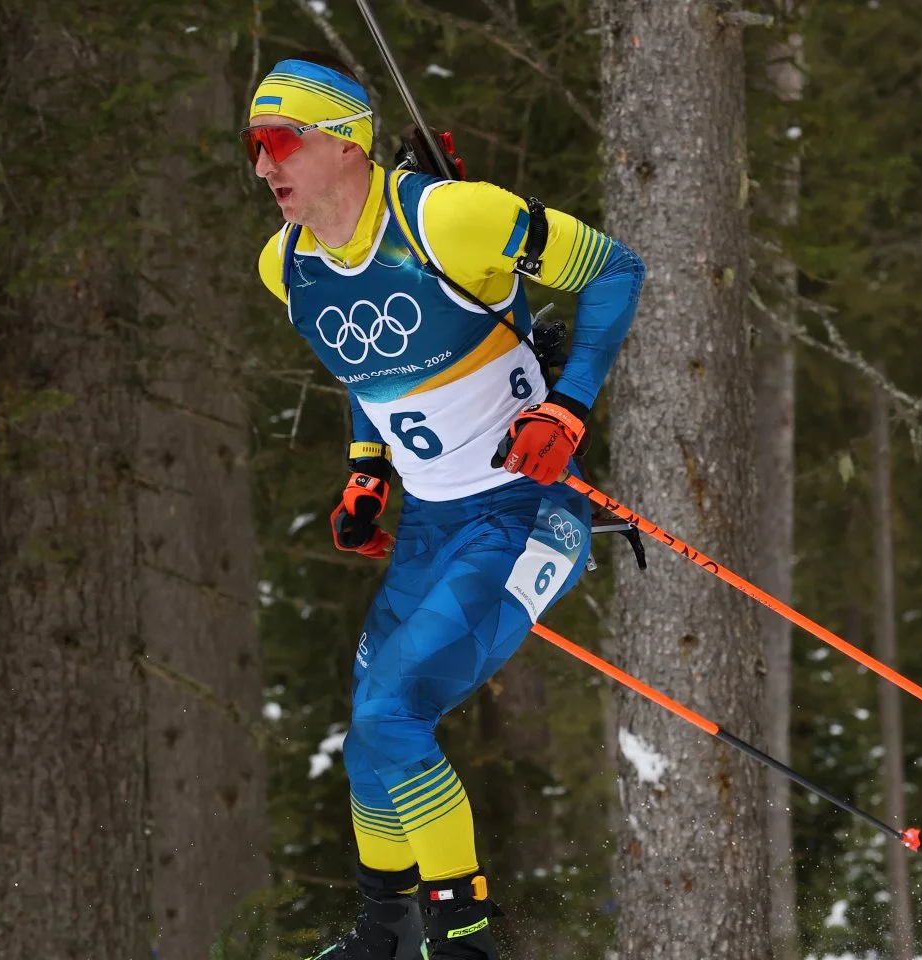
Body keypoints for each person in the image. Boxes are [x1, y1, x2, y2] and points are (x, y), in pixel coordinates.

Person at [245, 54, 644, 960]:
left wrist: (567, 405)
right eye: (254, 148)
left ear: (344, 144)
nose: (265, 168)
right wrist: (365, 469)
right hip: (430, 524)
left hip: (525, 510)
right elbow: (369, 371)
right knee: (367, 736)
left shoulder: (454, 218)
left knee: (393, 718)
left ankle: (461, 938)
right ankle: (383, 935)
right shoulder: (285, 266)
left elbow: (617, 269)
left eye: (279, 143)